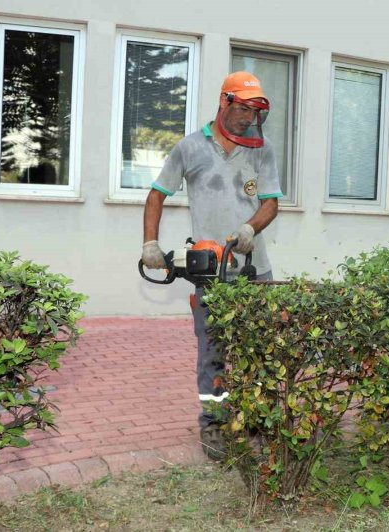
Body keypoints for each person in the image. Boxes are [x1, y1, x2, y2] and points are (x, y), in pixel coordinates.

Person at [140, 71, 282, 460]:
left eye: (255, 112)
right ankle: (215, 425)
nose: (248, 118)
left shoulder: (261, 148)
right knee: (213, 351)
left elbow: (270, 202)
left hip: (256, 269)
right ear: (225, 101)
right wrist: (150, 243)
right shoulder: (190, 148)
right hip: (210, 271)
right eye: (243, 109)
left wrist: (250, 228)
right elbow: (156, 196)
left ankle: (256, 418)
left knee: (261, 349)